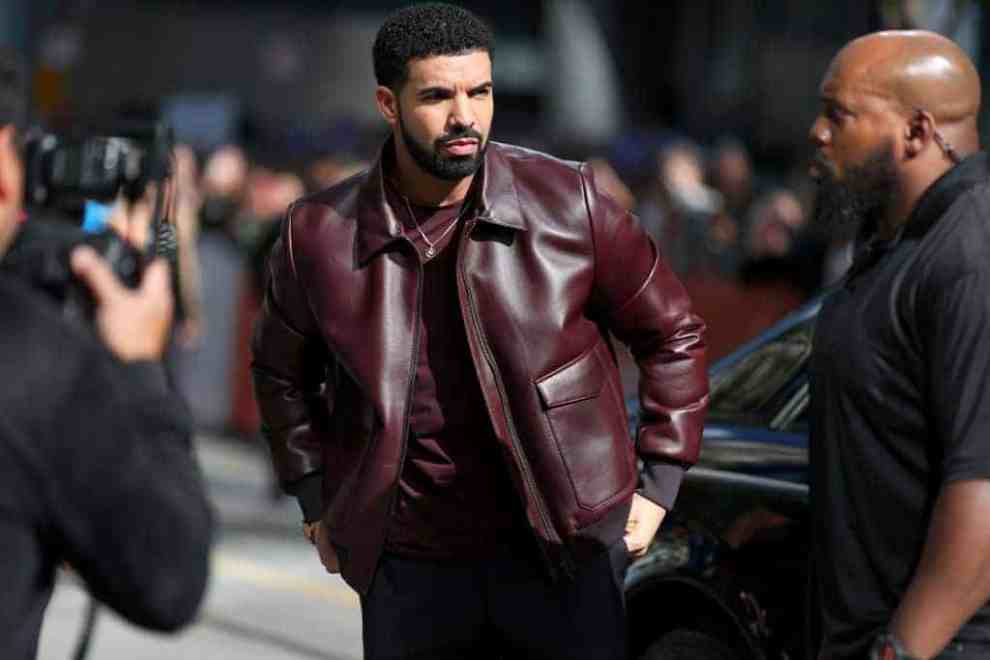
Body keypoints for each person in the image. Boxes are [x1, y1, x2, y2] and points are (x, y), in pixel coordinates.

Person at [252, 4, 708, 659]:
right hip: (409, 568)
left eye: (481, 91)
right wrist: (315, 496)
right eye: (438, 95)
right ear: (388, 103)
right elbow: (278, 372)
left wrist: (659, 482)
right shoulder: (318, 233)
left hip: (564, 554)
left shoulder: (568, 203)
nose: (466, 115)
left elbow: (673, 332)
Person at [0, 50, 213, 659]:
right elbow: (168, 582)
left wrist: (176, 271)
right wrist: (141, 372)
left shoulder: (171, 189)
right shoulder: (37, 368)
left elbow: (173, 243)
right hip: (117, 297)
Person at [807, 30, 989, 659]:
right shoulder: (895, 243)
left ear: (916, 131)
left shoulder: (972, 257)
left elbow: (983, 494)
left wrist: (901, 650)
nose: (817, 132)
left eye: (839, 114)